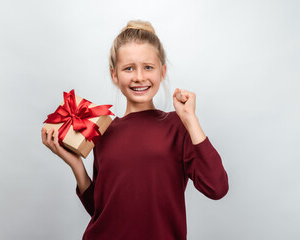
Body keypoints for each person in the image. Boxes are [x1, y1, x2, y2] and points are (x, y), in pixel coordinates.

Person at [41, 20, 229, 240]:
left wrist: (190, 118)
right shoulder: (104, 132)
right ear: (115, 75)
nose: (139, 77)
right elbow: (102, 212)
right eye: (128, 68)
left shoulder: (177, 125)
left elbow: (217, 188)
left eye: (148, 67)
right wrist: (76, 165)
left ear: (162, 71)